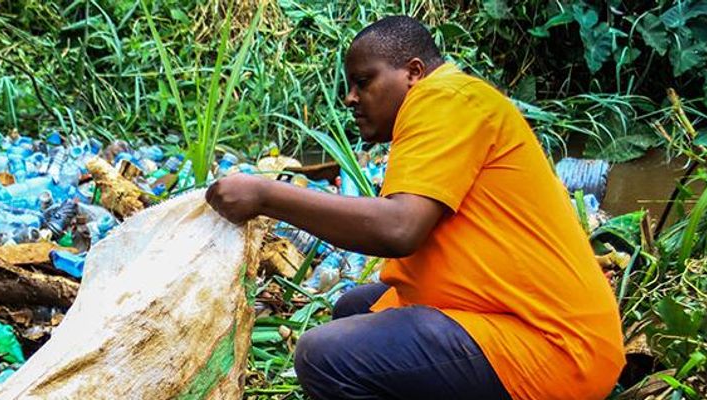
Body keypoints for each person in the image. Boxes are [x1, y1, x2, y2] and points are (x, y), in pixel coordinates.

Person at [206, 16, 624, 400]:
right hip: (540, 327)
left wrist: (266, 195)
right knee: (353, 308)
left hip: (558, 349)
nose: (351, 99)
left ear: (414, 72)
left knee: (323, 354)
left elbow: (399, 229)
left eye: (363, 81)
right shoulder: (450, 105)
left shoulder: (445, 99)